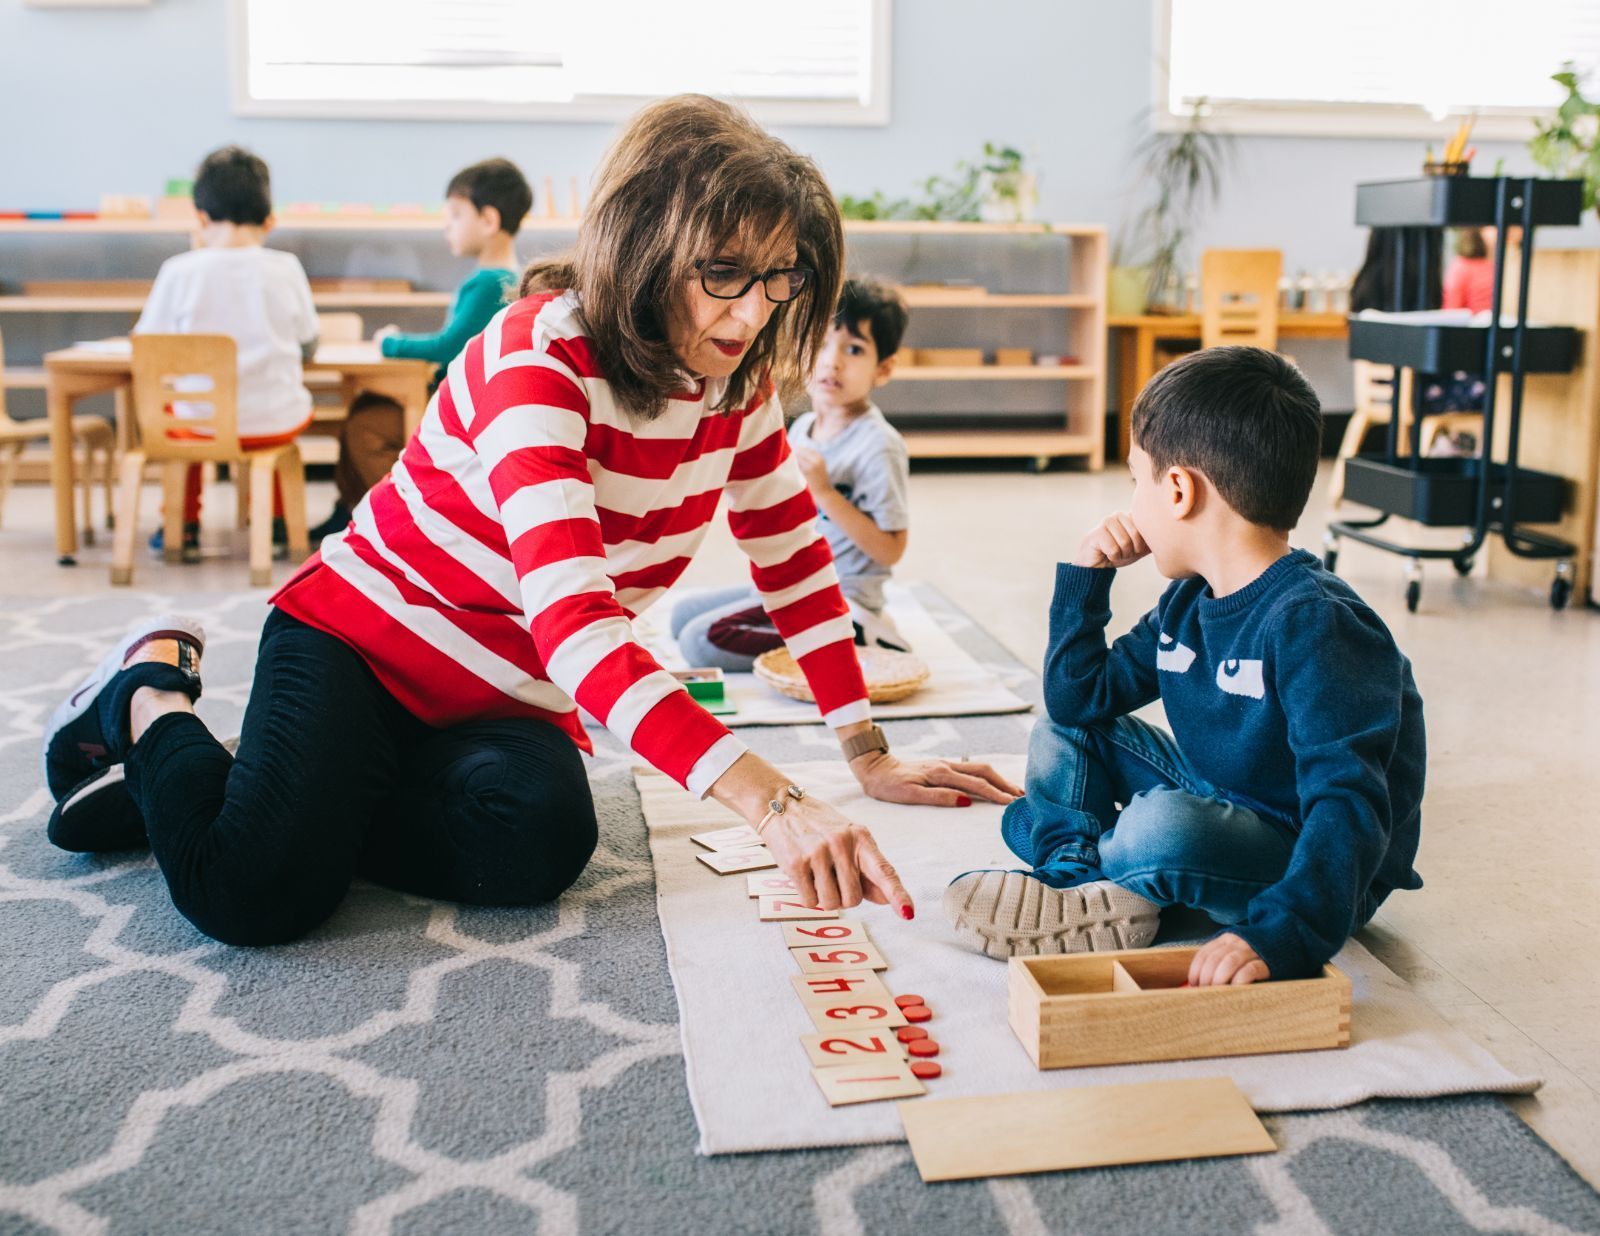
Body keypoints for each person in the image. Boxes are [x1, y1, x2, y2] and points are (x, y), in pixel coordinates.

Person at [41, 95, 1019, 947]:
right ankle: (150, 691)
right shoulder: (537, 358)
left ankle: (263, 792)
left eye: (781, 279)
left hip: (506, 690)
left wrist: (866, 753)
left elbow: (794, 559)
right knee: (254, 895)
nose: (755, 312)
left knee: (542, 845)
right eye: (725, 273)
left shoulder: (738, 379)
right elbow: (580, 629)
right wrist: (777, 801)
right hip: (364, 640)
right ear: (646, 243)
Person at [944, 347, 1425, 985]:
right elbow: (1079, 700)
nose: (1130, 504)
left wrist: (1289, 934)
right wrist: (1085, 581)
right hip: (1220, 796)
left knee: (1160, 827)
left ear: (1178, 490)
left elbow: (1349, 803)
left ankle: (1094, 864)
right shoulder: (1190, 600)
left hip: (1315, 859)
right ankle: (1076, 876)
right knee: (1061, 732)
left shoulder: (1318, 624)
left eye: (1135, 480)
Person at [672, 277, 911, 669]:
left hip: (843, 597)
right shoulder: (803, 427)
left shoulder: (878, 445)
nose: (832, 361)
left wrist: (828, 495)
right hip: (796, 578)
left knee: (701, 642)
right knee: (682, 615)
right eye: (821, 344)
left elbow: (891, 549)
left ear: (882, 369)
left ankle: (859, 636)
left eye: (853, 350)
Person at [310, 157, 532, 541]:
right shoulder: (500, 279)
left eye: (456, 215)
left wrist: (391, 342)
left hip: (455, 407)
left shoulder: (490, 284)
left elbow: (446, 347)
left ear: (489, 221)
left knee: (365, 426)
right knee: (362, 411)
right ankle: (348, 510)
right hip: (459, 400)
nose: (447, 225)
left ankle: (408, 511)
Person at [134, 146, 318, 561]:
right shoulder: (286, 268)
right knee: (265, 430)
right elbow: (309, 341)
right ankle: (274, 521)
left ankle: (181, 525)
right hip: (274, 420)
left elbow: (148, 345)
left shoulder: (179, 271)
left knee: (190, 421)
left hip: (199, 424)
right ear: (269, 219)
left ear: (200, 218)